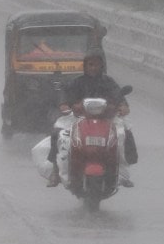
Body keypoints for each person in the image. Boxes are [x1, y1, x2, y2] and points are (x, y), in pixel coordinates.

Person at [46, 46, 133, 187]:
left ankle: (123, 171)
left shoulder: (108, 82)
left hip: (106, 119)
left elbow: (118, 95)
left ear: (102, 65)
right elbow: (65, 92)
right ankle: (55, 171)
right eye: (90, 64)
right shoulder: (77, 81)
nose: (93, 68)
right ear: (85, 66)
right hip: (78, 118)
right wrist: (64, 104)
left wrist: (123, 106)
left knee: (125, 131)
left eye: (96, 64)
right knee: (58, 132)